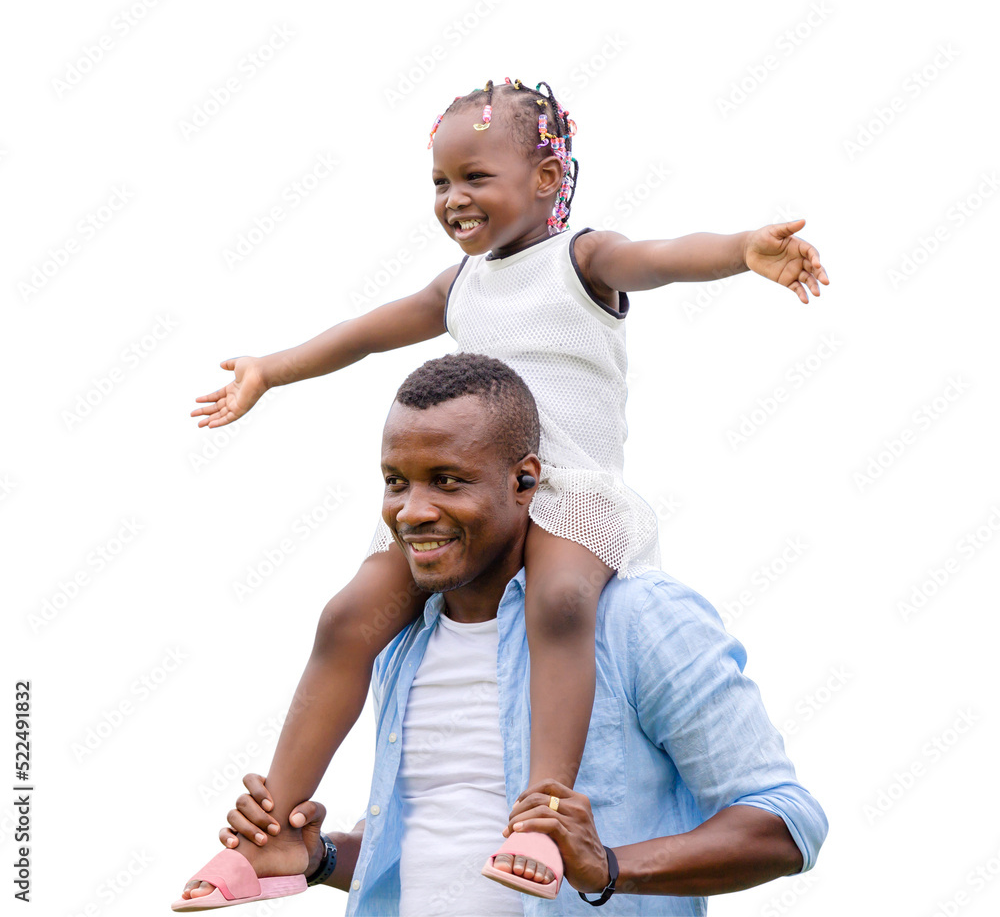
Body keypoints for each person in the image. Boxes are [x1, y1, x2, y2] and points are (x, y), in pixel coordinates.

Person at [178, 77, 829, 906]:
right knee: (349, 616)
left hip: (570, 493)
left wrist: (741, 249)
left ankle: (542, 819)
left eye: (476, 177)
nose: (454, 199)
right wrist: (272, 368)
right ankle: (266, 841)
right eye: (442, 183)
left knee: (560, 603)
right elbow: (366, 332)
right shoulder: (459, 286)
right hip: (484, 494)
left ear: (548, 180)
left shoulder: (581, 261)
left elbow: (662, 258)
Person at [175, 353, 828, 916]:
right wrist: (315, 858)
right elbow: (439, 859)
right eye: (396, 482)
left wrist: (606, 866)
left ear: (524, 482)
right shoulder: (400, 645)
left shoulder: (639, 619)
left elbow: (787, 824)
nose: (413, 511)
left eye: (449, 481)